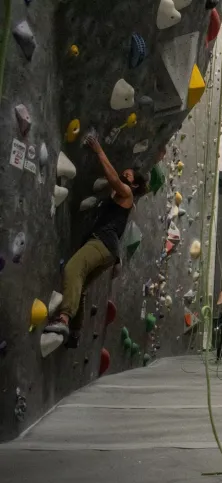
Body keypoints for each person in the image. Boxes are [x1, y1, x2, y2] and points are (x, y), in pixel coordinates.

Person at [44, 134, 148, 344]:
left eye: (127, 175)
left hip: (102, 243)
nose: (122, 175)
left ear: (133, 185)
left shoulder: (127, 193)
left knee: (73, 269)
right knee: (80, 287)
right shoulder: (118, 197)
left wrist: (99, 151)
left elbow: (113, 180)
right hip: (107, 249)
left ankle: (63, 320)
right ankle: (75, 332)